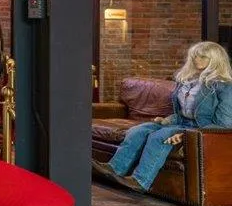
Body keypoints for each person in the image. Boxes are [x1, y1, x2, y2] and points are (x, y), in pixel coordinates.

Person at [95, 41, 232, 192]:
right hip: (180, 123)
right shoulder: (187, 81)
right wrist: (167, 120)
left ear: (215, 60)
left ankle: (140, 181)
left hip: (199, 130)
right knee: (139, 130)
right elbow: (183, 113)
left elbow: (224, 124)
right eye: (194, 56)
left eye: (202, 57)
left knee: (160, 136)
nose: (196, 60)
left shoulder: (223, 87)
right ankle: (114, 169)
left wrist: (188, 135)